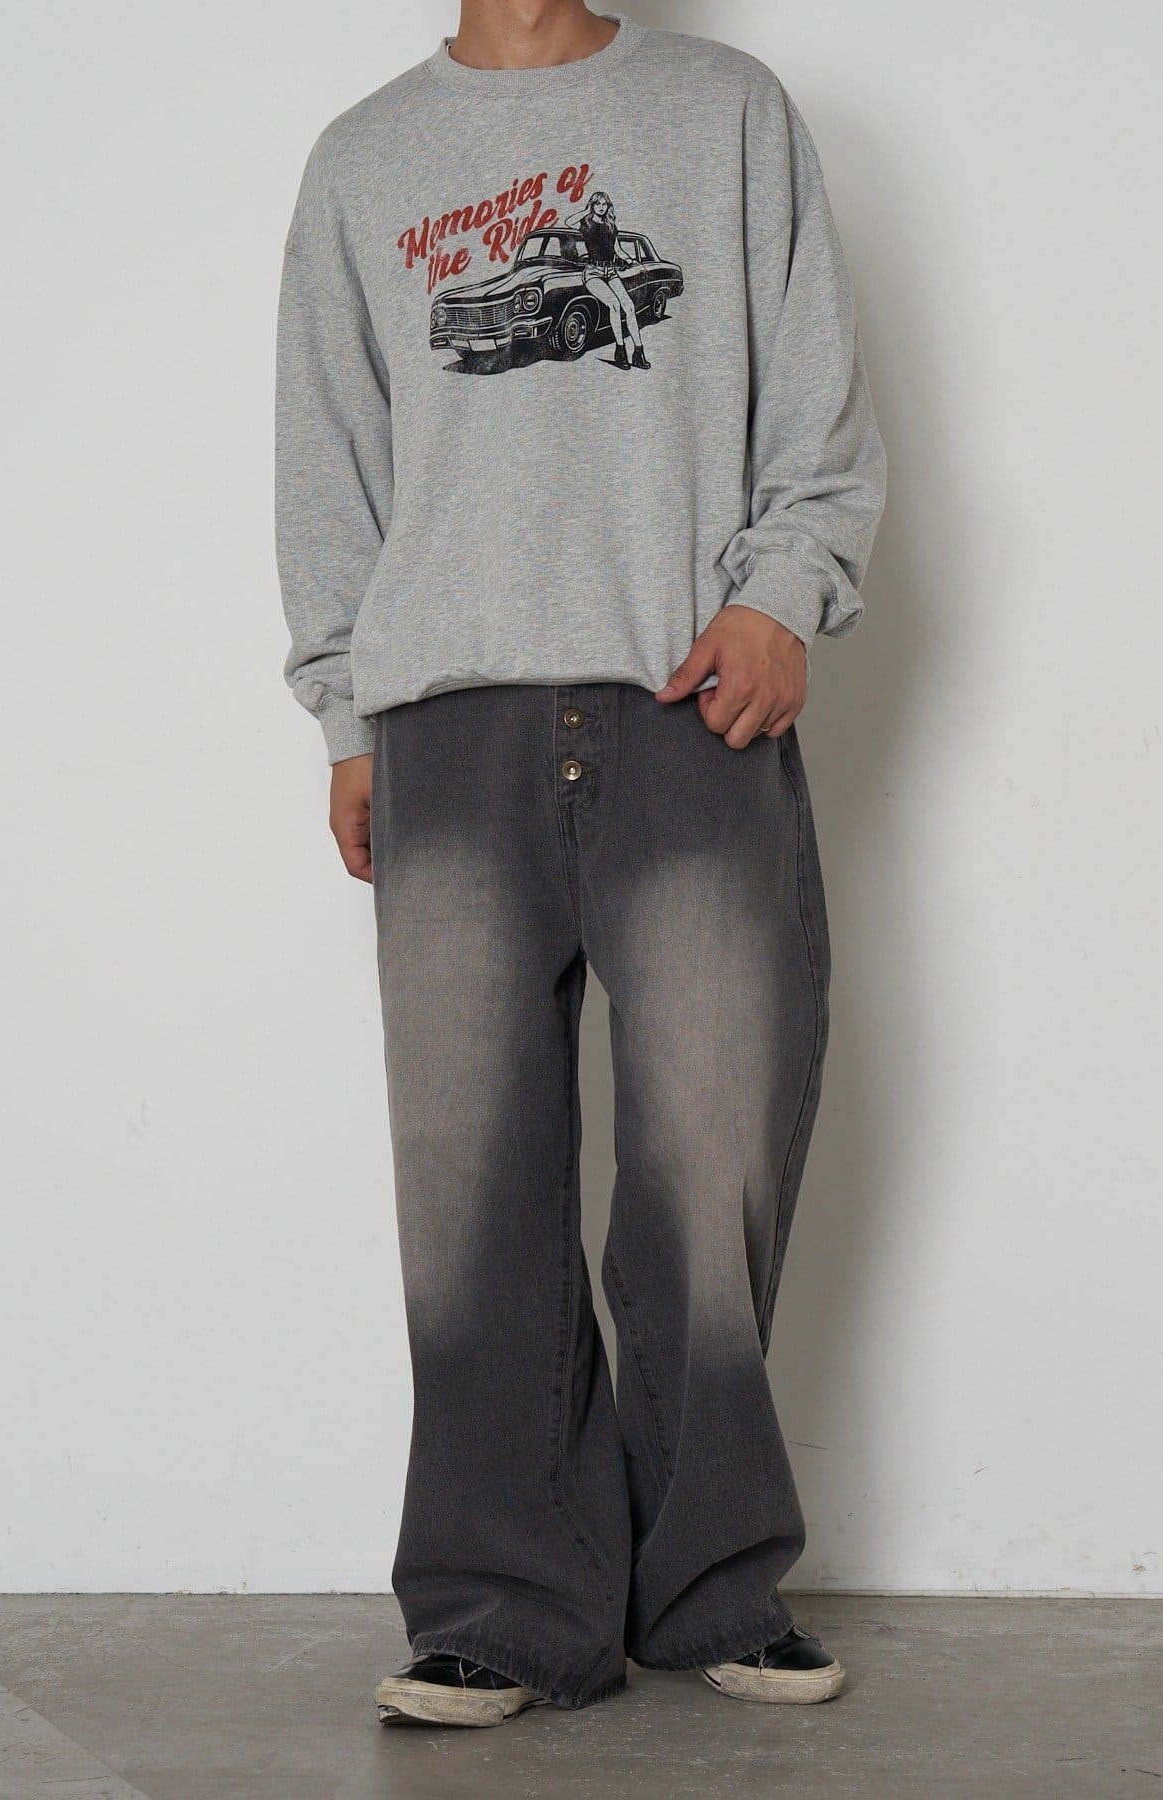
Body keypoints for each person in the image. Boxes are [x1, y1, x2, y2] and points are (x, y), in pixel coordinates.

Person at [275, 1, 885, 1727]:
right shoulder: (363, 159)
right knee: (468, 1187)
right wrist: (347, 717)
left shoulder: (728, 113)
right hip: (445, 720)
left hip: (688, 699)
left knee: (711, 1159)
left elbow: (818, 394)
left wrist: (782, 596)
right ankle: (501, 1607)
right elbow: (328, 455)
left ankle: (711, 1588)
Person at [576, 189, 648, 368]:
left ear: (608, 206)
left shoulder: (611, 226)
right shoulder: (586, 224)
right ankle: (620, 350)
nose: (601, 207)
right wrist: (587, 211)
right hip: (593, 272)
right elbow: (567, 222)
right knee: (614, 305)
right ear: (592, 205)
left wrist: (631, 261)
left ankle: (638, 352)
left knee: (629, 306)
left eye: (604, 204)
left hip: (611, 272)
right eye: (597, 204)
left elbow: (618, 250)